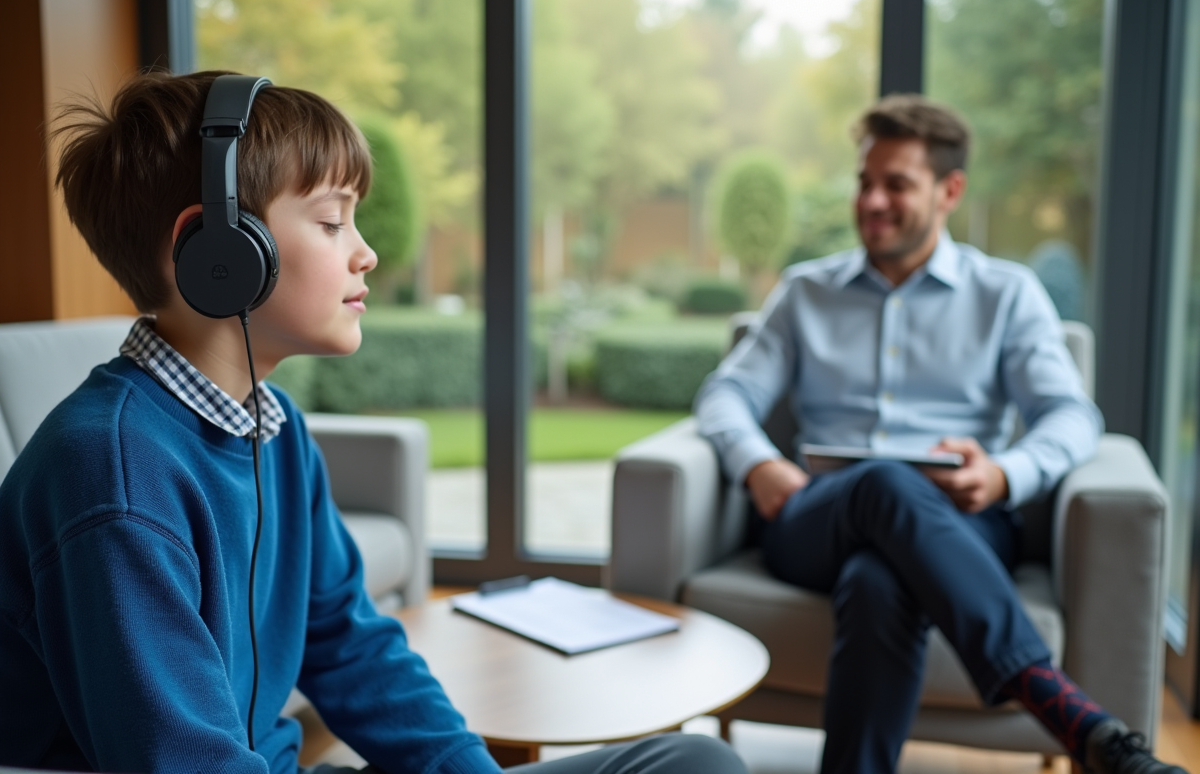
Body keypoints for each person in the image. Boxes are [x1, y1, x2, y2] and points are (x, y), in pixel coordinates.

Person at [0, 70, 746, 774]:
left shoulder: (274, 429)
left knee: (695, 761)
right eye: (332, 221)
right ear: (218, 252)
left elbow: (351, 646)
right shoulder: (110, 472)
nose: (368, 252)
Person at [695, 94, 1184, 774]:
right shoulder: (806, 292)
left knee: (878, 581)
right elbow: (726, 394)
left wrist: (1005, 473)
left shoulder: (1005, 294)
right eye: (865, 181)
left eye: (896, 184)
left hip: (959, 522)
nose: (871, 200)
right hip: (814, 518)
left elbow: (1072, 416)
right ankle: (1070, 715)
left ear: (949, 190)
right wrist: (758, 465)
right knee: (883, 483)